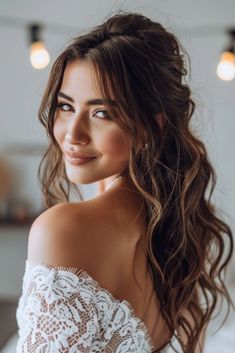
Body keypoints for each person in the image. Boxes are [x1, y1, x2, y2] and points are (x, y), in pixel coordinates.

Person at [16, 10, 234, 353]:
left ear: (152, 127)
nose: (73, 134)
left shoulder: (62, 228)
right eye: (66, 106)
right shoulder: (184, 240)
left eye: (102, 113)